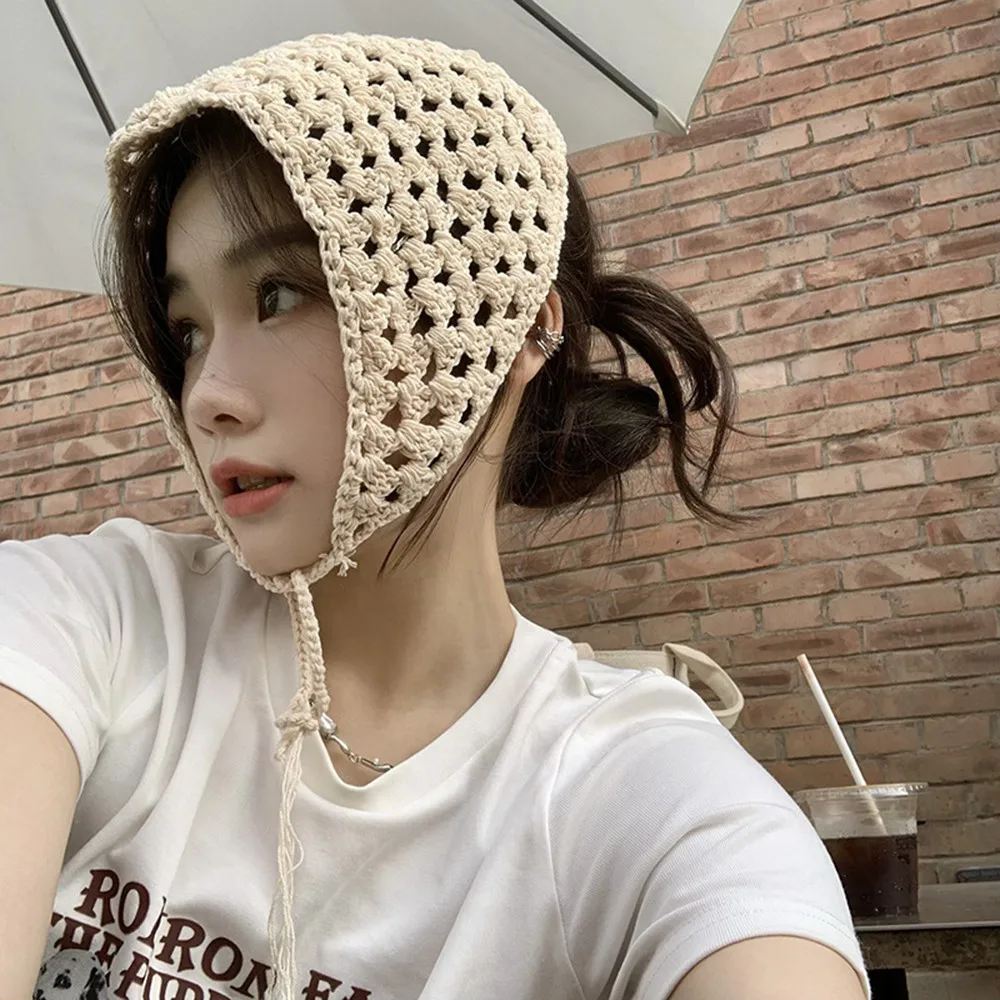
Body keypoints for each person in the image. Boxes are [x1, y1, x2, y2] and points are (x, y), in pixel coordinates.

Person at [0, 33, 869, 1000]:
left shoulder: (636, 792)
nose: (207, 396)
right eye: (188, 330)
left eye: (280, 294)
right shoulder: (96, 621)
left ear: (520, 326)